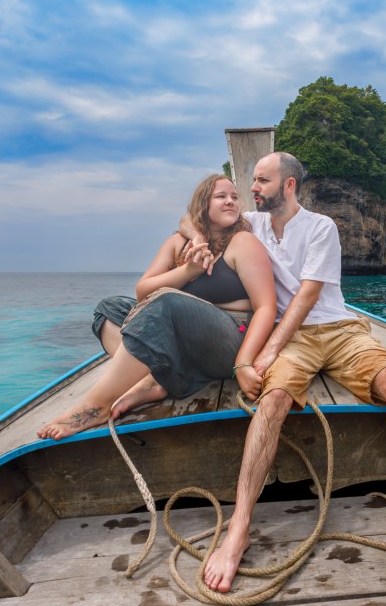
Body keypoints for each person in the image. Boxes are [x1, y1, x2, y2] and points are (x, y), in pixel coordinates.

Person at [188, 152, 386, 593]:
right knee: (273, 401)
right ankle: (238, 529)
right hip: (292, 338)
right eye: (252, 181)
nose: (252, 188)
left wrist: (266, 350)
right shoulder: (251, 225)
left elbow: (308, 296)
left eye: (261, 180)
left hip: (336, 329)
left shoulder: (321, 227)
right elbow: (192, 219)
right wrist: (195, 242)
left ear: (289, 185)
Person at [37, 174, 277, 439]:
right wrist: (188, 271)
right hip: (185, 339)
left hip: (230, 338)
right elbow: (142, 291)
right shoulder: (180, 242)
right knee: (109, 309)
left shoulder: (243, 242)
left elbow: (266, 306)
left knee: (166, 301)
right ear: (203, 205)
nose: (231, 201)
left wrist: (244, 362)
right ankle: (153, 379)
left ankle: (96, 406)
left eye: (234, 197)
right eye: (221, 197)